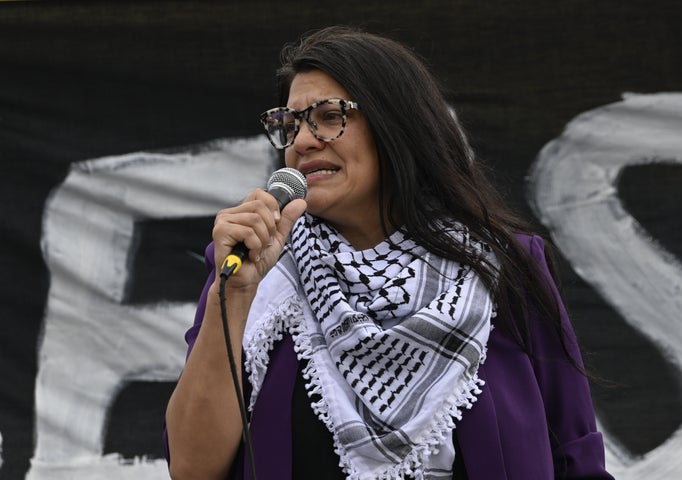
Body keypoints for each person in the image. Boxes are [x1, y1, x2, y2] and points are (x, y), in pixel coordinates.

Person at [164, 26, 613, 480]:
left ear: (397, 125)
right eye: (291, 123)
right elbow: (191, 469)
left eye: (328, 116)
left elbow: (576, 458)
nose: (302, 141)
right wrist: (234, 294)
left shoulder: (502, 266)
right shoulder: (252, 269)